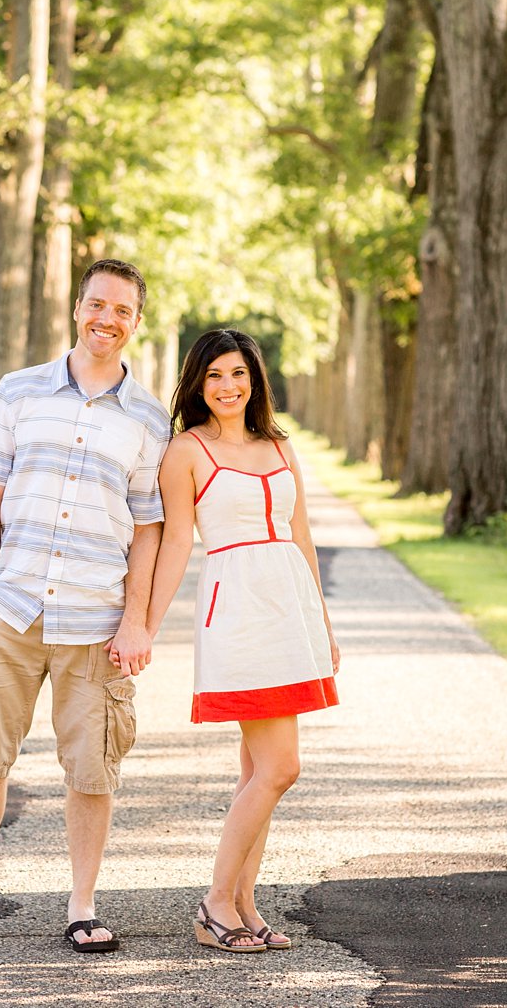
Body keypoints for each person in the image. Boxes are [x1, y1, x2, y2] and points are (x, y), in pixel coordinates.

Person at [0, 259, 171, 954]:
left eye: (121, 310)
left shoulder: (147, 417)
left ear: (136, 323)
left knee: (92, 767)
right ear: (76, 308)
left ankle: (82, 905)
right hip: (12, 609)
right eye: (96, 304)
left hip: (97, 619)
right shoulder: (18, 391)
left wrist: (137, 620)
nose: (106, 319)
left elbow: (148, 528)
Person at [141, 328, 340, 953]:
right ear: (197, 384)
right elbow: (176, 542)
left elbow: (300, 531)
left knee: (258, 769)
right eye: (214, 376)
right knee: (282, 767)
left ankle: (245, 904)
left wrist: (323, 623)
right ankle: (214, 903)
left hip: (289, 610)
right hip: (239, 616)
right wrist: (144, 623)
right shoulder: (186, 450)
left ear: (255, 380)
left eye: (238, 374)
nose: (228, 387)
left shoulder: (279, 444)